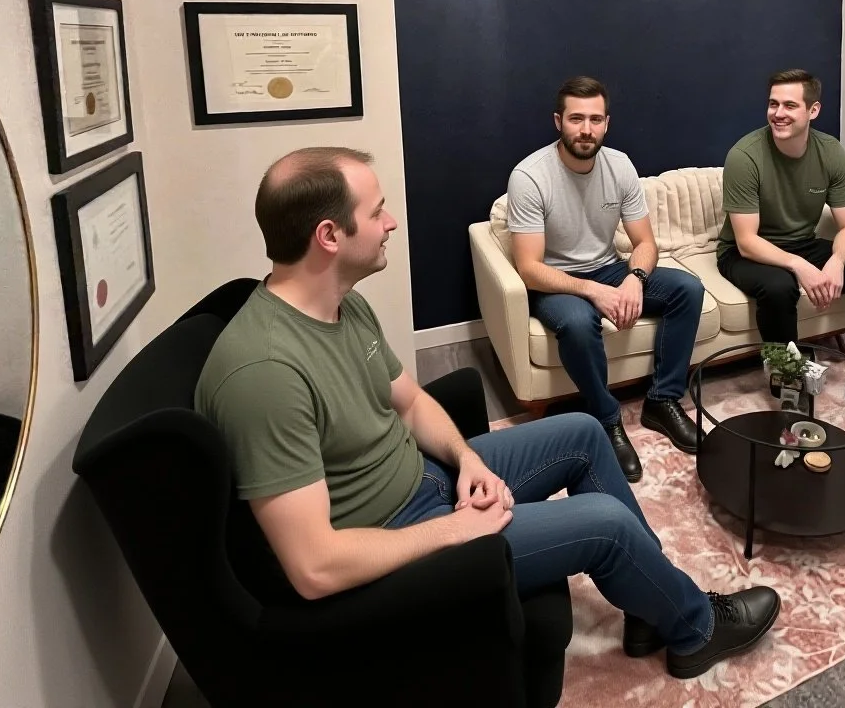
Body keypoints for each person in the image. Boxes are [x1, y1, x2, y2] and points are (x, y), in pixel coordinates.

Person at [194, 147, 780, 679]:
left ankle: (651, 607)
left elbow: (411, 402)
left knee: (583, 433)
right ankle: (695, 630)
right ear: (329, 235)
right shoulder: (264, 375)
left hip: (425, 480)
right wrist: (454, 529)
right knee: (607, 523)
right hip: (394, 539)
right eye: (376, 213)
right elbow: (315, 567)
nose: (391, 222)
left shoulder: (343, 307)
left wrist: (467, 458)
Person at [506, 77, 704, 482]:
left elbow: (645, 242)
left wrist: (634, 278)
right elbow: (528, 268)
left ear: (607, 123)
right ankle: (606, 419)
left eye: (595, 119)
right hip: (555, 279)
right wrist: (594, 291)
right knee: (579, 323)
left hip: (609, 267)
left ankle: (663, 400)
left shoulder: (620, 165)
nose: (586, 129)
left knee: (688, 289)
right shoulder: (529, 177)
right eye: (576, 118)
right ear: (558, 121)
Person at [715, 69, 845, 429]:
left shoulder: (830, 152)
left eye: (790, 105)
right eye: (773, 104)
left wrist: (836, 261)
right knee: (779, 286)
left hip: (803, 242)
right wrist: (800, 266)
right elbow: (746, 240)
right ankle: (788, 382)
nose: (778, 113)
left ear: (813, 110)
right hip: (744, 253)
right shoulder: (745, 155)